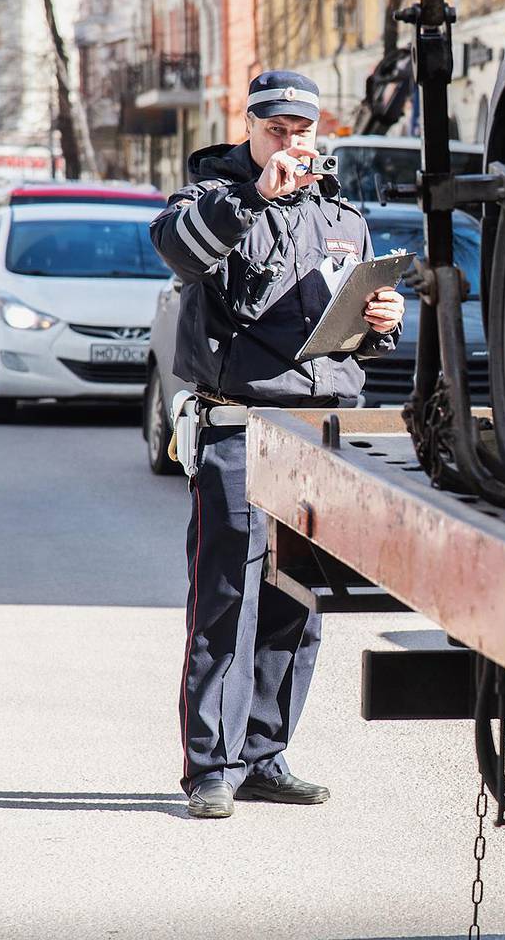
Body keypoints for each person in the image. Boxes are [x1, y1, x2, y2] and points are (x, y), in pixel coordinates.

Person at [149, 70, 405, 819]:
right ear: (251, 127)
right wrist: (256, 194)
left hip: (321, 434)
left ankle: (265, 753)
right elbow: (180, 254)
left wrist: (384, 321)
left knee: (299, 601)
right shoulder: (210, 198)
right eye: (276, 130)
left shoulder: (343, 216)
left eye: (302, 131)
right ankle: (210, 768)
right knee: (227, 597)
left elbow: (352, 337)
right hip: (240, 426)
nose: (292, 143)